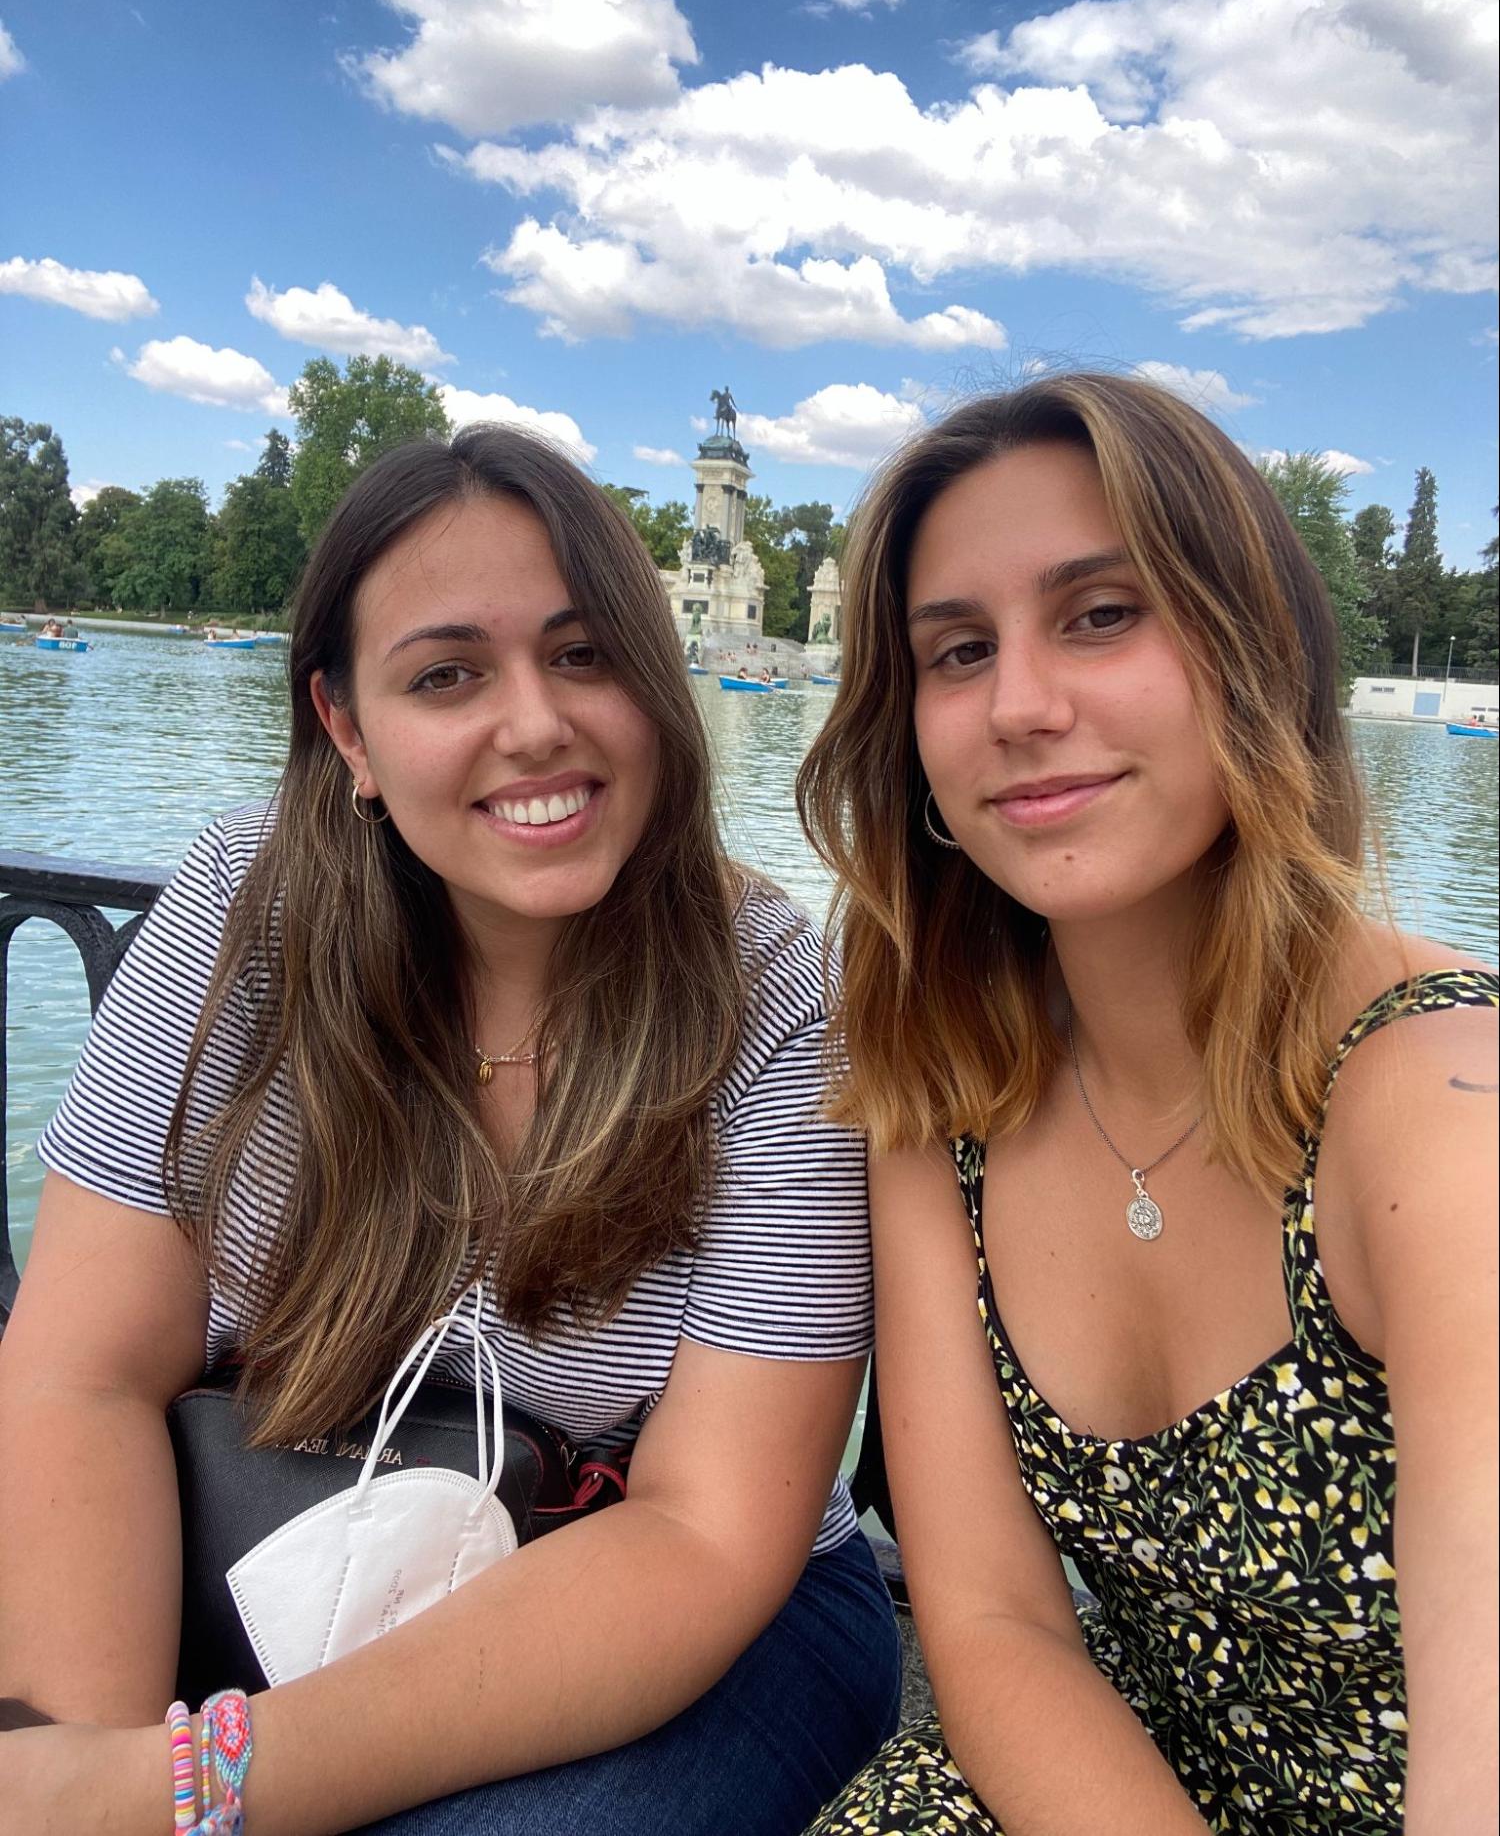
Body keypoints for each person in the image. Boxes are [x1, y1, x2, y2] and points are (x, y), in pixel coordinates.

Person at [0, 425, 900, 1831]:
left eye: (585, 653)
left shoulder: (780, 996)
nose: (534, 722)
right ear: (349, 731)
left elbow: (709, 1535)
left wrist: (174, 1790)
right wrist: (79, 1760)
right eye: (446, 675)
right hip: (275, 1536)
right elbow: (81, 1375)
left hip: (673, 1609)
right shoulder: (248, 907)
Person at [795, 374, 1497, 1835]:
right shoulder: (946, 1082)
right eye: (959, 650)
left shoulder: (1440, 1109)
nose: (1022, 706)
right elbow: (992, 1623)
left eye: (1103, 614)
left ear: (1255, 654)